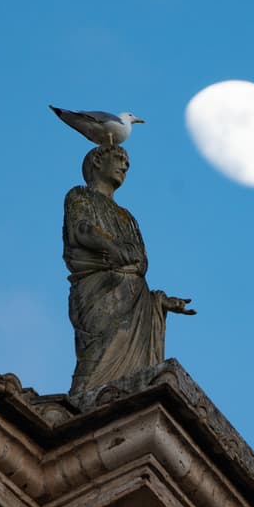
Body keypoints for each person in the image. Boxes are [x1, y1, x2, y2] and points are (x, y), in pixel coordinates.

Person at [63, 144, 195, 396]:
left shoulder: (127, 217)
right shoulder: (80, 196)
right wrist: (111, 246)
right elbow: (81, 229)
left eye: (128, 162)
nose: (125, 165)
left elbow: (140, 262)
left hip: (135, 297)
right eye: (120, 157)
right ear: (97, 161)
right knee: (98, 354)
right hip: (99, 289)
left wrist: (158, 301)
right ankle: (81, 400)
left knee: (134, 379)